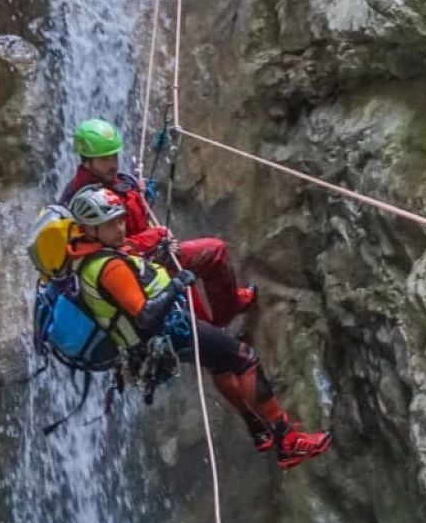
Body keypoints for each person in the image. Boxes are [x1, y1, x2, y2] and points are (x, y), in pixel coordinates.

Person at [67, 186, 334, 468]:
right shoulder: (109, 267)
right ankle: (287, 441)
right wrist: (177, 285)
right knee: (244, 359)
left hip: (159, 335)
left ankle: (259, 429)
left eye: (120, 219)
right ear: (89, 228)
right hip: (168, 332)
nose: (120, 228)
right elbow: (145, 315)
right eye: (110, 224)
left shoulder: (93, 256)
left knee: (220, 363)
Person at [60, 118, 254, 326]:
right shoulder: (85, 200)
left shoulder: (106, 182)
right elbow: (109, 248)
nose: (113, 164)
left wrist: (137, 194)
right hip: (138, 264)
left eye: (114, 156)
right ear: (86, 160)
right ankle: (222, 322)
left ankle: (222, 317)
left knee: (207, 265)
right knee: (213, 256)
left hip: (149, 254)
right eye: (105, 159)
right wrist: (156, 235)